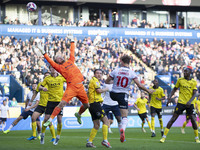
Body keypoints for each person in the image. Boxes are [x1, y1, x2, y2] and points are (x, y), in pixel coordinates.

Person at [37, 35, 89, 127]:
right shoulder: (59, 68)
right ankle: (50, 119)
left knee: (87, 105)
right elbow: (49, 61)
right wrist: (43, 52)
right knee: (62, 103)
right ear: (57, 61)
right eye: (57, 57)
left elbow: (72, 51)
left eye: (60, 56)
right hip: (71, 87)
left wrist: (72, 40)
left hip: (80, 86)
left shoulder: (70, 61)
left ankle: (78, 114)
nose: (59, 57)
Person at [105, 55, 154, 143]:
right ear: (129, 62)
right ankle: (122, 129)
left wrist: (114, 82)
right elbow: (139, 85)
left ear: (121, 62)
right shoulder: (132, 73)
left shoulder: (116, 70)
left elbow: (107, 81)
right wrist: (148, 90)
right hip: (123, 95)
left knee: (115, 106)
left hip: (113, 94)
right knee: (124, 116)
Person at [160, 68, 200, 143]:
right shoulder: (180, 80)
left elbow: (195, 93)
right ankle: (164, 137)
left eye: (186, 72)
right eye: (184, 71)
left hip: (190, 104)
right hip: (181, 103)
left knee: (193, 120)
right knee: (173, 119)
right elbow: (174, 89)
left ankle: (197, 138)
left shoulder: (193, 82)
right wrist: (169, 98)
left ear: (190, 73)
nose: (184, 73)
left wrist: (190, 101)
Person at [39, 66, 66, 145]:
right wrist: (42, 88)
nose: (53, 69)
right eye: (52, 68)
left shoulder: (61, 77)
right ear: (50, 69)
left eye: (55, 68)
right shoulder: (47, 78)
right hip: (50, 101)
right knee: (46, 119)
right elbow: (40, 86)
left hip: (59, 102)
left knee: (59, 120)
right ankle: (42, 135)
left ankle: (57, 137)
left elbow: (70, 81)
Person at [27, 71, 56, 142]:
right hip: (41, 105)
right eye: (45, 76)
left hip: (48, 105)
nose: (46, 77)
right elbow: (35, 93)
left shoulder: (52, 85)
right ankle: (34, 135)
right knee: (33, 117)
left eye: (47, 76)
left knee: (48, 122)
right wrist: (31, 101)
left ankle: (54, 137)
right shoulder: (40, 84)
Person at [86, 69, 111, 148]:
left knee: (96, 125)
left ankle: (89, 142)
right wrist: (106, 89)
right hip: (95, 104)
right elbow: (99, 91)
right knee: (106, 122)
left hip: (92, 104)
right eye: (97, 73)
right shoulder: (95, 81)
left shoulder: (93, 81)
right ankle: (105, 140)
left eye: (100, 73)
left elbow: (87, 93)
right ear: (94, 74)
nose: (99, 74)